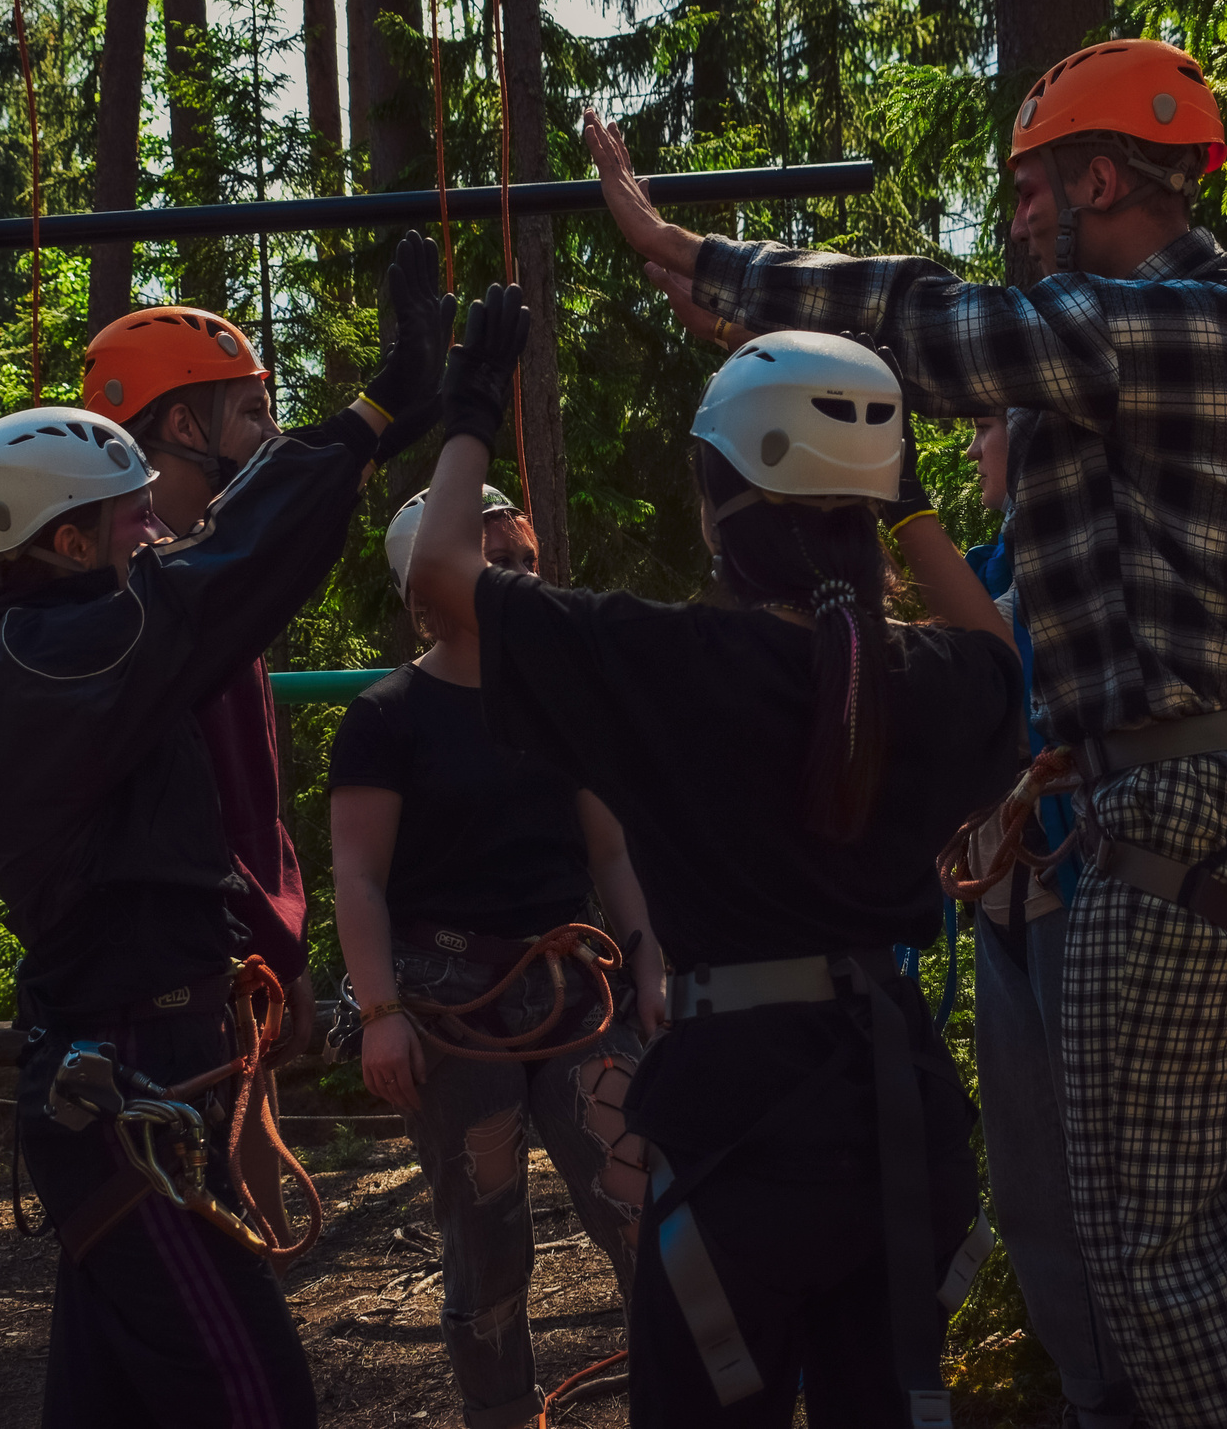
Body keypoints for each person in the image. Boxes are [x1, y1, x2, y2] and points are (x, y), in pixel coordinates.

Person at [584, 38, 1227, 1429]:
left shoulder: (1172, 314)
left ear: (1099, 176)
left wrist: (703, 258)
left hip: (1186, 812)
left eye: (1031, 197)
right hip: (1165, 806)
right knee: (1146, 1238)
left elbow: (932, 323)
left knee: (1158, 1260)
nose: (1021, 233)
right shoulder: (1161, 329)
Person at [406, 288, 1025, 1427]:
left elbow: (437, 580)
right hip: (894, 1123)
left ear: (720, 504)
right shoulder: (929, 683)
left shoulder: (664, 661)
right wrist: (909, 510)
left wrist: (468, 408)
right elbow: (1001, 661)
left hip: (741, 1127)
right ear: (872, 503)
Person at [0, 231, 450, 1429]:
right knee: (251, 1397)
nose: (143, 537)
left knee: (110, 1399)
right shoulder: (70, 653)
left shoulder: (55, 643)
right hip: (127, 1086)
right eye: (119, 525)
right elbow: (222, 572)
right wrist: (371, 417)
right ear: (62, 543)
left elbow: (217, 563)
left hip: (132, 1070)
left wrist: (368, 424)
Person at [329, 486, 666, 1429]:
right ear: (430, 583)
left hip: (572, 985)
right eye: (493, 564)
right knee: (487, 1233)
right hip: (449, 1000)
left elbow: (610, 850)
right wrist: (383, 1011)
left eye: (521, 560)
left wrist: (650, 967)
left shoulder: (563, 704)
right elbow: (359, 877)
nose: (518, 579)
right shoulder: (388, 715)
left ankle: (683, 1396)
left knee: (642, 1195)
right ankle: (503, 1414)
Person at [956, 408, 1132, 1429]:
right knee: (1026, 1180)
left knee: (1098, 1170)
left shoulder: (1089, 563)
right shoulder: (984, 567)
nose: (973, 447)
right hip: (1004, 905)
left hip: (1077, 885)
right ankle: (1088, 1394)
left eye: (986, 428)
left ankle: (1134, 1391)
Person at [81, 305, 312, 1071]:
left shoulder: (198, 578)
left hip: (234, 951)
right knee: (220, 1181)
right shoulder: (139, 600)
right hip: (194, 967)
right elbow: (210, 810)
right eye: (253, 410)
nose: (272, 433)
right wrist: (272, 941)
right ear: (183, 424)